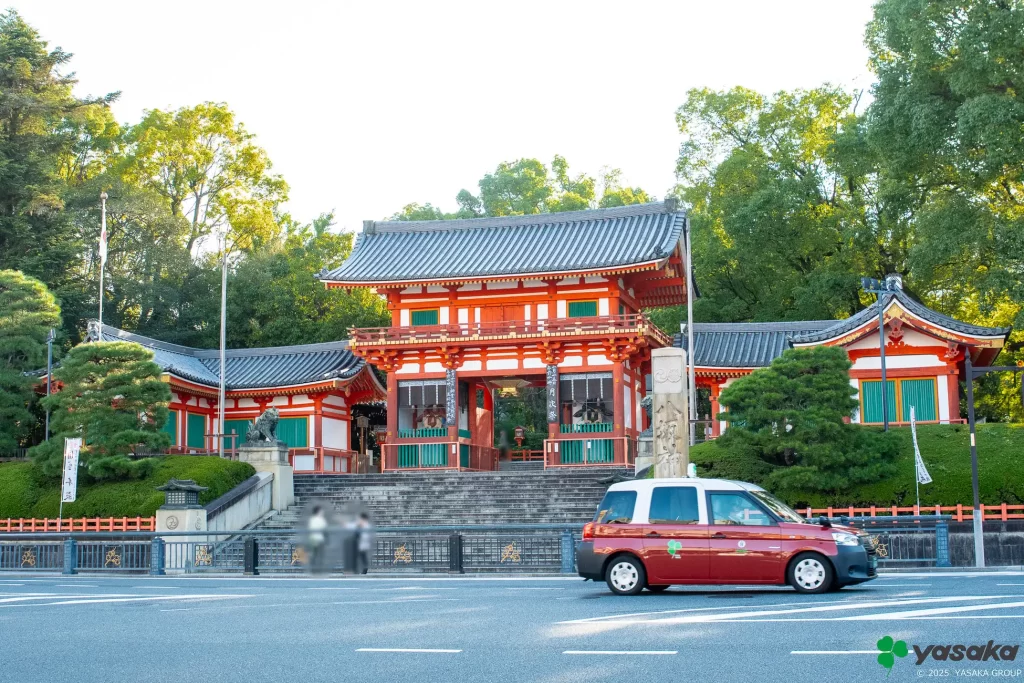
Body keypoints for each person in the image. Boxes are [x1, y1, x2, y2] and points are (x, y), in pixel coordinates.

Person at [307, 506, 329, 574]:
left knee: (314, 554)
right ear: (318, 512)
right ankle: (318, 569)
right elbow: (325, 529)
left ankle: (314, 569)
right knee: (319, 555)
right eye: (321, 511)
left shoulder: (312, 519)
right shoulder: (321, 520)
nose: (322, 512)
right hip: (319, 539)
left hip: (313, 539)